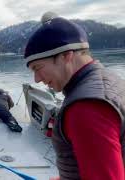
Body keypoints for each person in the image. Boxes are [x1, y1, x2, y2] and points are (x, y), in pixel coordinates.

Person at [25, 12, 125, 180]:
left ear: (66, 56)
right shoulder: (108, 80)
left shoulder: (87, 108)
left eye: (37, 67)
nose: (37, 79)